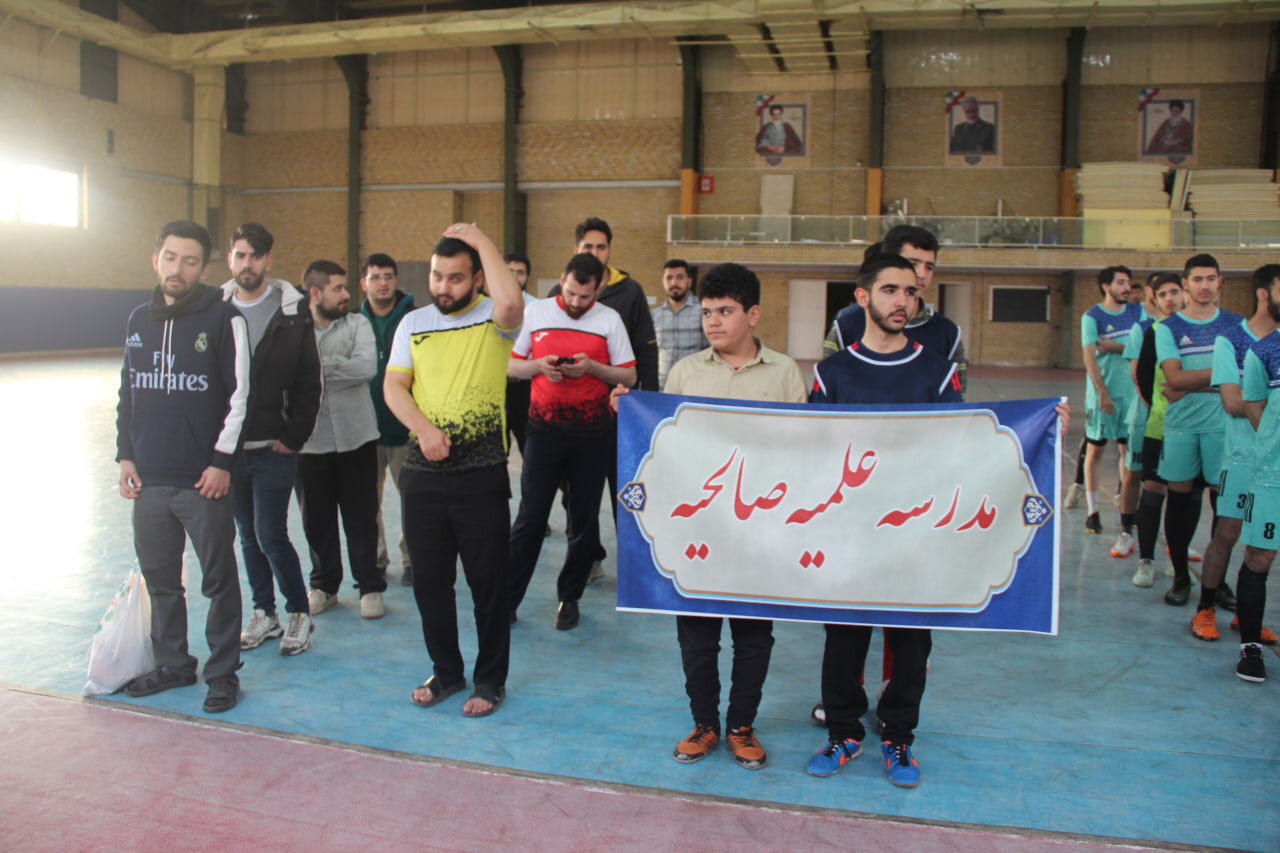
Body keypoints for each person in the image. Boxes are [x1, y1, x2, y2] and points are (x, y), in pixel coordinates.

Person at [616, 262, 806, 771]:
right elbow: (664, 440)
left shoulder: (785, 373)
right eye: (707, 313)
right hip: (697, 528)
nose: (713, 322)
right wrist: (629, 410)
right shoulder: (686, 372)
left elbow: (804, 449)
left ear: (753, 315)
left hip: (760, 528)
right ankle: (704, 724)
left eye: (725, 311)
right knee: (697, 637)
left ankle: (742, 726)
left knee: (753, 637)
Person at [806, 254, 962, 789]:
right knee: (843, 637)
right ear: (862, 297)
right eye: (890, 289)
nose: (903, 300)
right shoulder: (831, 373)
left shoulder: (937, 371)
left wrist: (1045, 425)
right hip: (848, 532)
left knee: (911, 642)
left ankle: (898, 736)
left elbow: (963, 446)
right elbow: (811, 454)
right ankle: (843, 733)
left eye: (910, 292)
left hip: (914, 532)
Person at [384, 223, 523, 717]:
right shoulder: (413, 323)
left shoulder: (494, 319)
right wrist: (423, 429)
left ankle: (490, 679)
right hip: (423, 475)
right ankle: (446, 671)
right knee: (429, 584)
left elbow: (512, 302)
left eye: (456, 277)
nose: (443, 287)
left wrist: (482, 240)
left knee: (488, 585)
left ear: (478, 278)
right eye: (437, 276)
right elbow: (394, 387)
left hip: (481, 475)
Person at [116, 219, 250, 713]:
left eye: (190, 261)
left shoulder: (225, 319)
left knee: (218, 581)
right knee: (162, 582)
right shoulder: (138, 320)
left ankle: (222, 673)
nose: (178, 268)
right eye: (170, 258)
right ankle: (173, 664)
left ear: (204, 268)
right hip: (150, 480)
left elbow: (240, 396)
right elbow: (128, 392)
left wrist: (221, 462)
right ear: (156, 259)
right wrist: (125, 453)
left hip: (202, 482)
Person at [507, 253, 636, 630]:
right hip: (543, 431)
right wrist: (538, 366)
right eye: (571, 294)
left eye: (585, 296)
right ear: (562, 280)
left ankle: (570, 597)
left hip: (592, 434)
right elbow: (510, 364)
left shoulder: (610, 320)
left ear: (598, 289)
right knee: (530, 518)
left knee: (583, 520)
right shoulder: (536, 313)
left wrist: (592, 368)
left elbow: (629, 376)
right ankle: (508, 599)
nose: (576, 303)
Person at [221, 223, 322, 657]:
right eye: (241, 255)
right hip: (230, 451)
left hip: (274, 449)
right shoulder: (216, 308)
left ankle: (299, 612)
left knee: (270, 535)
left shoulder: (293, 312)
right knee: (247, 535)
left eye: (255, 256)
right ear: (231, 258)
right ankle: (265, 612)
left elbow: (309, 382)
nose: (247, 264)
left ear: (268, 260)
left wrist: (292, 437)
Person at [552, 217, 659, 579]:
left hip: (619, 411)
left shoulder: (629, 292)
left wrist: (647, 404)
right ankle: (588, 559)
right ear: (576, 249)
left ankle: (635, 565)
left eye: (601, 247)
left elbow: (646, 350)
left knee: (625, 487)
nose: (595, 253)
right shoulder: (560, 292)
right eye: (588, 247)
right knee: (578, 492)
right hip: (571, 414)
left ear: (610, 250)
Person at [1194, 266, 1280, 640]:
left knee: (1264, 545)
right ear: (1264, 292)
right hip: (1243, 456)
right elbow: (1232, 401)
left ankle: (1247, 616)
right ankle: (1205, 607)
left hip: (1275, 462)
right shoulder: (1232, 340)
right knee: (1228, 531)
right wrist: (1268, 408)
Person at [297, 260, 386, 620]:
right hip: (309, 442)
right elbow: (291, 375)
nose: (346, 294)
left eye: (345, 287)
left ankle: (369, 587)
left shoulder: (358, 324)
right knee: (316, 520)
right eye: (337, 288)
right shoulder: (296, 330)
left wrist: (316, 369)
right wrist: (336, 365)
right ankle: (324, 586)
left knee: (362, 517)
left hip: (357, 439)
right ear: (315, 293)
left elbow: (366, 368)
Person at [1155, 254, 1242, 606]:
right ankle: (1180, 576)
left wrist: (1193, 384)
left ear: (1220, 282)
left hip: (1225, 428)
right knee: (1179, 503)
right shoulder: (1169, 327)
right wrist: (1224, 375)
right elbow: (1174, 378)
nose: (1204, 286)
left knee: (1224, 508)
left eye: (1211, 278)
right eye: (1197, 279)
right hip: (1181, 428)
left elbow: (1243, 379)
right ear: (1186, 283)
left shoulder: (1237, 325)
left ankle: (1216, 580)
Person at [824, 225, 967, 395]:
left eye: (929, 267)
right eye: (913, 263)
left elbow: (958, 403)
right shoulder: (845, 326)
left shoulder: (948, 333)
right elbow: (829, 389)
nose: (922, 274)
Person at [1127, 274, 1196, 587]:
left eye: (1174, 292)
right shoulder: (1152, 332)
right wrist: (1160, 407)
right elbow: (1142, 379)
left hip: (1195, 428)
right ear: (1154, 299)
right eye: (1163, 294)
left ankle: (1176, 557)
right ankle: (1146, 560)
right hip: (1159, 426)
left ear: (1184, 293)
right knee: (1153, 491)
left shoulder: (1201, 331)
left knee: (1190, 496)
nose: (1170, 299)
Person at [360, 253, 416, 587]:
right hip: (365, 432)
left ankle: (412, 559)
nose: (382, 283)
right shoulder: (354, 322)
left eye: (388, 276)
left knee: (413, 501)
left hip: (406, 431)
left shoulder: (414, 320)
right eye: (375, 277)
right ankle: (376, 559)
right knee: (368, 504)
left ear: (396, 280)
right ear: (363, 283)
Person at [1080, 266, 1143, 536]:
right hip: (1102, 396)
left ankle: (1127, 509)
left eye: (1128, 282)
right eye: (1121, 282)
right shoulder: (1092, 317)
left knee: (1128, 452)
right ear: (1106, 286)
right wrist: (1103, 393)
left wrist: (1117, 347)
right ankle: (1092, 511)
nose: (1126, 287)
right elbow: (1089, 357)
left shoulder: (1138, 313)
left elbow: (1142, 350)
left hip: (1131, 396)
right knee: (1095, 450)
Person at [1238, 313, 1280, 681]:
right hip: (1272, 475)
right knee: (1259, 556)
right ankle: (1250, 647)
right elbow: (1254, 407)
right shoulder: (1263, 351)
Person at [503, 251, 539, 458]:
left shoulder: (537, 307)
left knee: (530, 447)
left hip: (525, 386)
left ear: (527, 276)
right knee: (497, 449)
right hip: (495, 385)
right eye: (509, 271)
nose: (515, 277)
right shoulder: (486, 305)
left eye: (520, 272)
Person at [652, 259, 708, 391]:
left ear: (689, 281)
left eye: (680, 277)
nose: (674, 283)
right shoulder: (654, 315)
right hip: (663, 389)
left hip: (695, 388)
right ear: (663, 281)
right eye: (669, 278)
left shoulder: (704, 311)